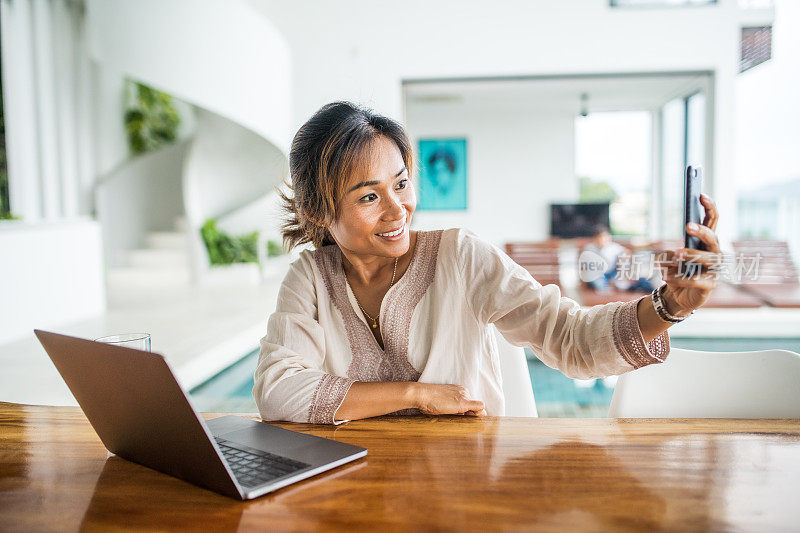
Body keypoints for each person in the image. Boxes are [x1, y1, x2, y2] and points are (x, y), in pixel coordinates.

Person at [253, 101, 721, 424]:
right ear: (318, 210)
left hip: (468, 485)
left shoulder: (460, 255)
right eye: (369, 196)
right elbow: (276, 391)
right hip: (357, 489)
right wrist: (417, 393)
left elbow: (569, 337)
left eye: (400, 183)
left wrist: (669, 307)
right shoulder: (310, 278)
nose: (397, 209)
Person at [582, 225, 656, 293]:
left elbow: (627, 252)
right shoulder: (589, 248)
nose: (604, 240)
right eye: (601, 238)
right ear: (595, 239)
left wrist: (623, 264)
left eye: (606, 237)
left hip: (612, 272)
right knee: (600, 285)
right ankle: (609, 289)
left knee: (633, 282)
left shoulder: (613, 247)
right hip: (597, 273)